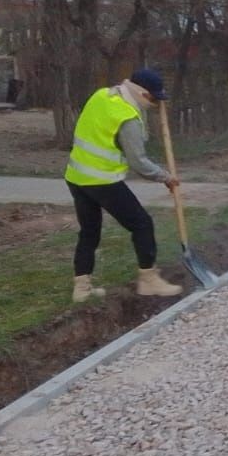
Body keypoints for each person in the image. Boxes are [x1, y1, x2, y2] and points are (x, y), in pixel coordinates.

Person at [63, 68, 183, 302]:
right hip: (102, 181)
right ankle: (148, 280)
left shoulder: (102, 96)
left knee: (89, 231)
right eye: (155, 99)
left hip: (76, 176)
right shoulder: (127, 116)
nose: (155, 104)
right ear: (144, 95)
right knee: (142, 224)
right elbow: (139, 162)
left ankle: (82, 288)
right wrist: (166, 177)